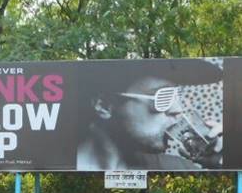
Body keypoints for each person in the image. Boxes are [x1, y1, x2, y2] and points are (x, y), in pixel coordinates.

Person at [76, 73, 222, 171]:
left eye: (177, 95)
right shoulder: (66, 164)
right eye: (164, 97)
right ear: (104, 105)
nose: (178, 110)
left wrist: (220, 162)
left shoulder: (178, 167)